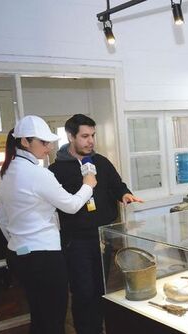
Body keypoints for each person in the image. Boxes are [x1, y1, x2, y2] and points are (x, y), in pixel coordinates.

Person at [0, 115, 97, 334]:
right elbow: (71, 205)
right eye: (43, 142)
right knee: (53, 320)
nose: (49, 147)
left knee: (39, 315)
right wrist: (88, 185)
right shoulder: (38, 174)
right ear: (25, 142)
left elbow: (2, 219)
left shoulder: (5, 172)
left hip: (18, 254)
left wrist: (20, 240)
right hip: (44, 258)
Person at [48, 114, 142, 334]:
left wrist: (124, 194)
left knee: (101, 289)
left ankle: (100, 328)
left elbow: (117, 185)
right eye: (84, 136)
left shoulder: (101, 162)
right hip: (76, 241)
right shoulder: (56, 171)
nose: (90, 141)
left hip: (102, 237)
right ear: (71, 136)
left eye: (93, 135)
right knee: (83, 291)